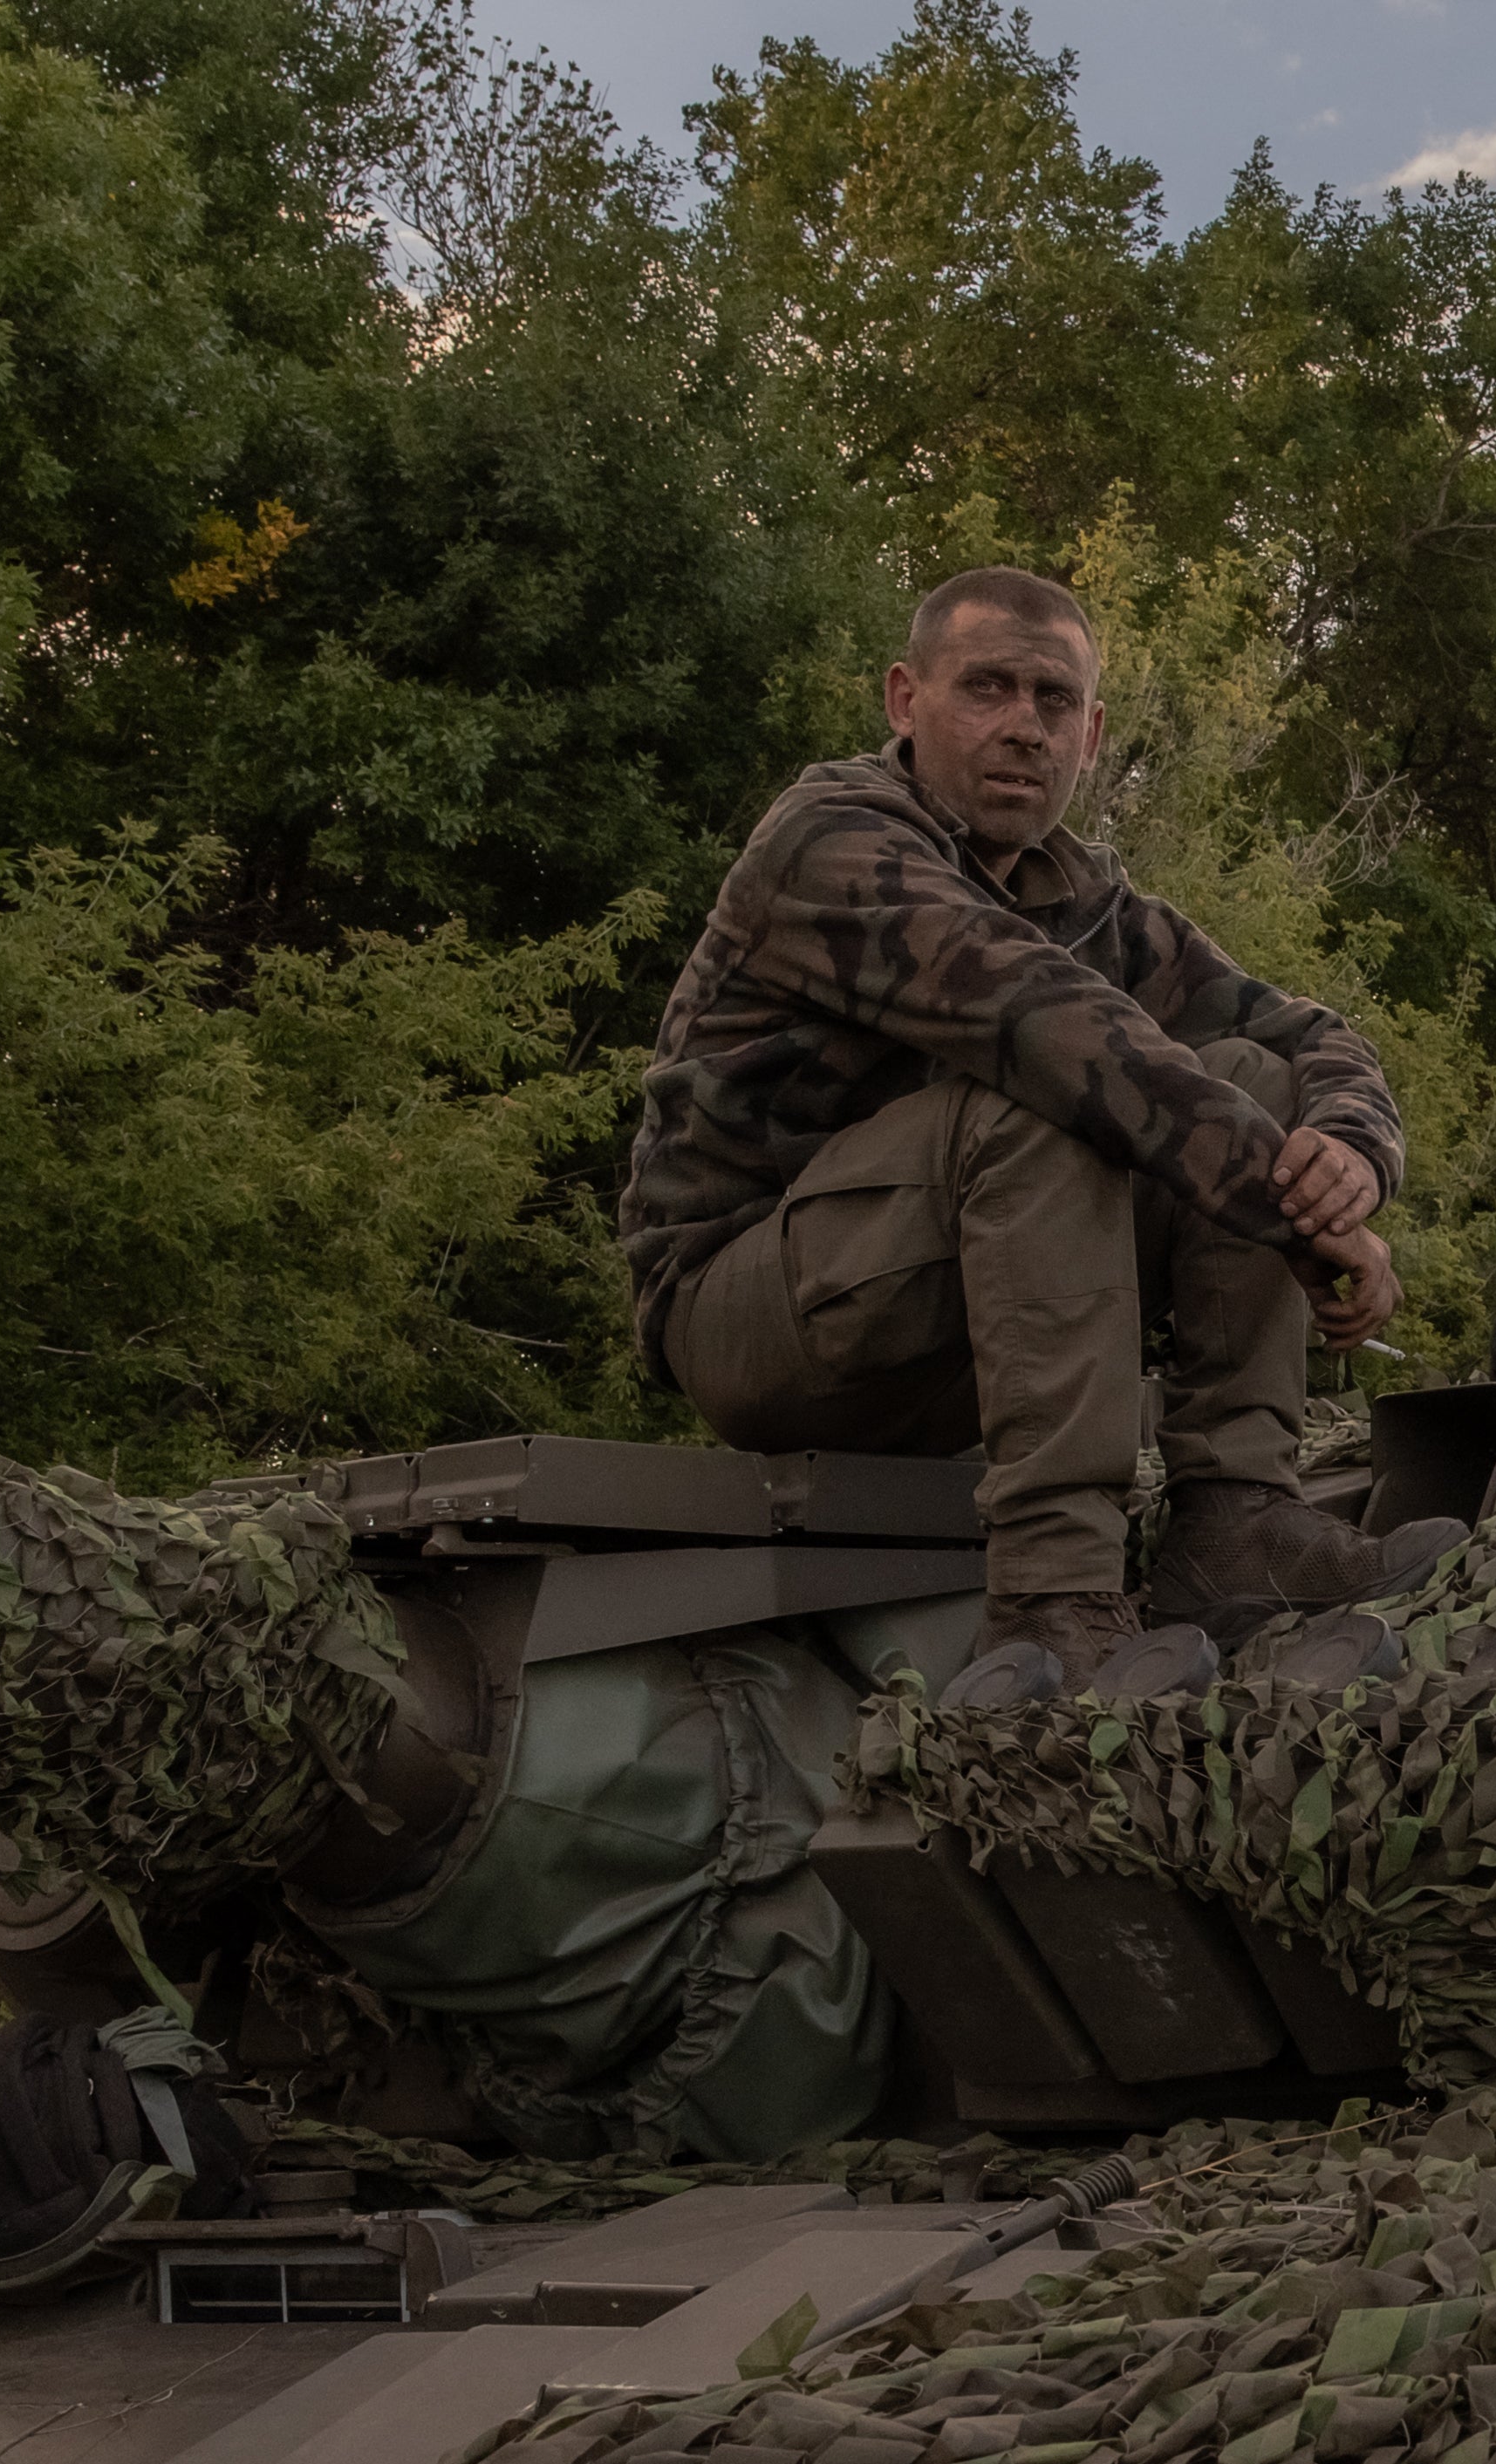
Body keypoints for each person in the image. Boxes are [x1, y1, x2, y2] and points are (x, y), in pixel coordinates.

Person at [623, 566, 1454, 1673]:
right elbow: (1044, 1024)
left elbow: (1310, 1036)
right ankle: (1055, 1596)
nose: (1024, 727)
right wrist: (1299, 1220)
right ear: (904, 701)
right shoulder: (829, 842)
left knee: (1249, 1072)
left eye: (1053, 700)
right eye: (988, 689)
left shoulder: (1094, 905)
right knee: (1051, 1098)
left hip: (952, 1324)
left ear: (1093, 731)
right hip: (753, 1313)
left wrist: (1350, 1158)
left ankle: (1238, 1521)